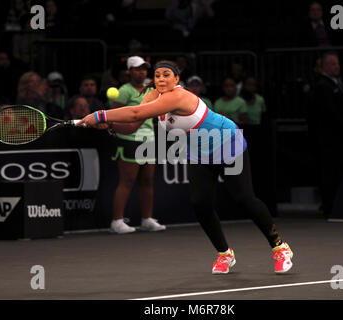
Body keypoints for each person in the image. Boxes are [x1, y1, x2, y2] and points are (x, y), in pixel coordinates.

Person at [77, 60, 293, 275]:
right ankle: (224, 254)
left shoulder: (179, 96)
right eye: (158, 75)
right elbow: (133, 124)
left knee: (245, 199)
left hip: (227, 142)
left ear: (177, 80)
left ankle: (280, 247)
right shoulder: (152, 95)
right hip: (199, 151)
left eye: (166, 75)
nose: (161, 79)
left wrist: (99, 115)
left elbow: (135, 114)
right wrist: (110, 126)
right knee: (200, 204)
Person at [109, 56, 165, 234]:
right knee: (127, 180)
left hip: (149, 138)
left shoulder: (151, 90)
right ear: (129, 71)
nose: (141, 72)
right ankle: (117, 221)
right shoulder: (124, 91)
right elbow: (115, 115)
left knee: (147, 181)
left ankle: (147, 219)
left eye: (143, 69)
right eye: (137, 69)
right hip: (129, 140)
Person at [308, 52, 343, 218]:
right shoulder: (322, 86)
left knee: (339, 172)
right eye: (333, 64)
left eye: (338, 64)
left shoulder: (338, 83)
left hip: (339, 137)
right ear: (325, 67)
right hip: (329, 139)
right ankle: (330, 207)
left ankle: (337, 205)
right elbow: (330, 112)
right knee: (330, 173)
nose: (337, 67)